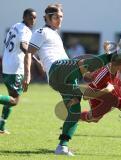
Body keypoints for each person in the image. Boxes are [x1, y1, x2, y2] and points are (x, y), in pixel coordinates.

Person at [22, 4, 115, 156]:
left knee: (75, 111)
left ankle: (62, 146)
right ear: (47, 17)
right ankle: (113, 55)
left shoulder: (55, 35)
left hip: (62, 78)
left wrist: (84, 74)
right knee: (80, 62)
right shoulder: (42, 31)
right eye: (56, 17)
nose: (60, 20)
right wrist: (27, 74)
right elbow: (28, 52)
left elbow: (62, 61)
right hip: (57, 70)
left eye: (61, 17)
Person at [0, 8, 37, 134]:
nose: (33, 20)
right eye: (31, 17)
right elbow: (23, 46)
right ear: (25, 17)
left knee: (11, 98)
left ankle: (1, 125)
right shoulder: (25, 30)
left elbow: (7, 42)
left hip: (6, 65)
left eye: (35, 18)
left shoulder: (15, 26)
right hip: (16, 68)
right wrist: (35, 59)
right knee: (14, 101)